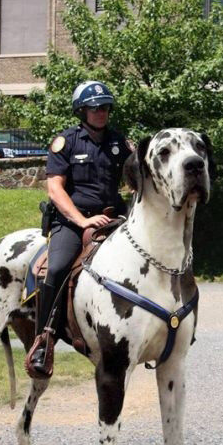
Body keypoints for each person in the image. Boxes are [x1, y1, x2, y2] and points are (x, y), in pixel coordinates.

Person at [26, 80, 133, 378]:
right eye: (95, 108)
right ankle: (44, 339)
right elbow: (55, 189)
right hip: (73, 222)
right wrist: (82, 221)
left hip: (114, 219)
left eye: (105, 107)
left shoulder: (119, 143)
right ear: (82, 111)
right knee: (58, 268)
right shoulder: (66, 142)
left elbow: (138, 176)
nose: (101, 112)